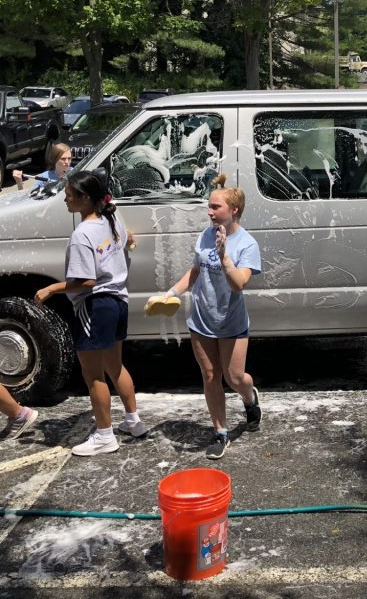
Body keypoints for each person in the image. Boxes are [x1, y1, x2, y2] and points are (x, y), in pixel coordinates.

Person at [35, 170, 144, 455]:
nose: (65, 200)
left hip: (95, 305)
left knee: (93, 375)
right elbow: (125, 240)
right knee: (115, 366)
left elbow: (86, 281)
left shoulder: (82, 234)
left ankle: (105, 435)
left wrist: (52, 288)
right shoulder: (112, 217)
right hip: (118, 300)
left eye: (69, 195)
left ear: (85, 198)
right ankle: (133, 421)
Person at [163, 174, 262, 459]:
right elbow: (195, 270)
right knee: (210, 375)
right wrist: (171, 292)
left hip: (231, 321)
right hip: (201, 319)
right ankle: (220, 432)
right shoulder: (206, 235)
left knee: (235, 377)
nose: (210, 212)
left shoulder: (247, 244)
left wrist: (224, 256)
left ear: (234, 210)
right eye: (209, 206)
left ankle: (249, 397)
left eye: (215, 207)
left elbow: (238, 284)